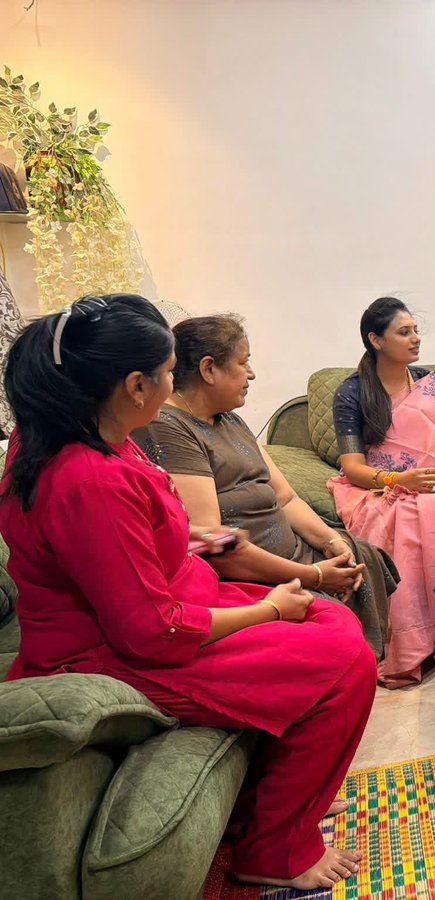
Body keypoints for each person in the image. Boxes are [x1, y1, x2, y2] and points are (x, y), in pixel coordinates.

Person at [0, 294, 374, 891]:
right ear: (135, 385)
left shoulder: (92, 435)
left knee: (333, 623)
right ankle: (273, 851)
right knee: (343, 662)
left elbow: (120, 548)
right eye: (168, 371)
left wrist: (196, 540)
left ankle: (278, 804)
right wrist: (271, 606)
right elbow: (153, 629)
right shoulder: (87, 478)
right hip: (117, 652)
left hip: (169, 601)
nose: (173, 383)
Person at [135, 315, 399, 660]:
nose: (252, 374)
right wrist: (314, 575)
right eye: (244, 363)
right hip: (253, 576)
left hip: (294, 555)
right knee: (333, 628)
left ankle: (368, 666)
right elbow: (213, 543)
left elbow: (285, 496)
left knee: (362, 555)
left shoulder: (229, 417)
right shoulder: (168, 428)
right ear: (208, 369)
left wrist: (330, 542)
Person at [328, 297, 435, 688]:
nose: (415, 339)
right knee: (405, 518)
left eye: (416, 330)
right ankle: (417, 643)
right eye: (404, 332)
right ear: (376, 340)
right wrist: (399, 481)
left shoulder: (431, 384)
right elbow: (353, 468)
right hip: (381, 486)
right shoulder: (352, 394)